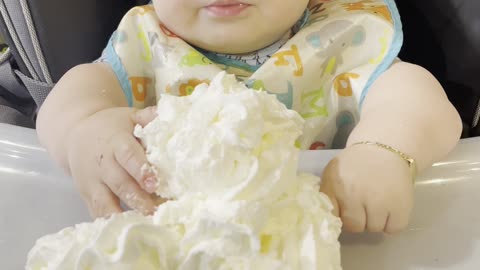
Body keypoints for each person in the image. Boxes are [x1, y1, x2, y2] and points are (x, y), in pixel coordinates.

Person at [36, 0, 461, 233]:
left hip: (328, 240)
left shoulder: (344, 38)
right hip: (177, 245)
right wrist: (85, 131)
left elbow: (419, 99)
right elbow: (69, 99)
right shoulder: (144, 46)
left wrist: (384, 151)